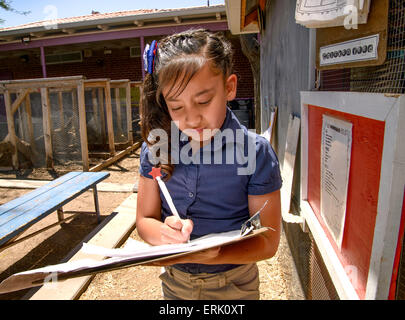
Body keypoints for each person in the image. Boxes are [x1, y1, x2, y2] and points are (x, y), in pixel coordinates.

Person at [136, 29, 282, 300]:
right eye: (176, 107)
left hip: (235, 286)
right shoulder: (157, 149)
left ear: (229, 87)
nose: (192, 119)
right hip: (175, 284)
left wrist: (215, 254)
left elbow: (268, 242)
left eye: (203, 101)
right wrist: (163, 234)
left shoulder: (255, 153)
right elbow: (145, 220)